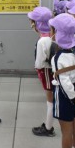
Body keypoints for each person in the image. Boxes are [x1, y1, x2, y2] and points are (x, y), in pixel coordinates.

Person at [49, 13, 75, 148]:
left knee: (66, 132)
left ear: (58, 33)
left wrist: (72, 98)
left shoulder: (58, 58)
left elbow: (64, 83)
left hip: (66, 97)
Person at [27, 7, 56, 137]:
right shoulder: (53, 35)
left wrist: (37, 67)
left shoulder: (42, 41)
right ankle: (48, 124)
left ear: (38, 23)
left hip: (47, 72)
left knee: (50, 101)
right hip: (54, 71)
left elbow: (39, 63)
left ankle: (48, 127)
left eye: (32, 21)